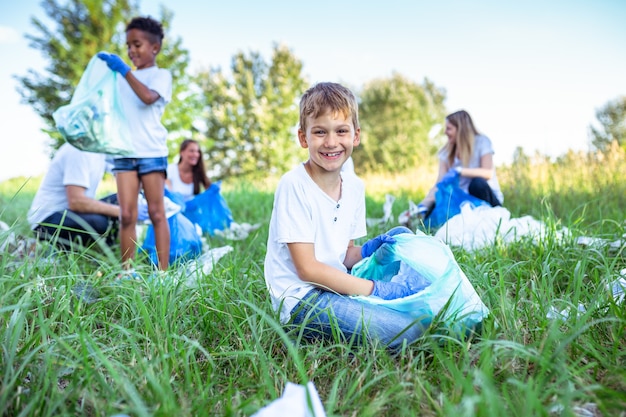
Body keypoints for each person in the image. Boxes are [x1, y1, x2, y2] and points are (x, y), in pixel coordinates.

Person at [264, 82, 429, 350]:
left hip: (336, 285)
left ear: (355, 136)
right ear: (303, 138)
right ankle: (386, 303)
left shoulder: (354, 187)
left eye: (341, 131)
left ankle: (395, 298)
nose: (331, 142)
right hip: (304, 300)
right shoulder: (294, 184)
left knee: (403, 237)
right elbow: (308, 269)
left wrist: (369, 249)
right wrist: (374, 289)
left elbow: (344, 256)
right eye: (319, 132)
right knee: (408, 332)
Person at [97, 16, 172, 271]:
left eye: (137, 44)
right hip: (124, 153)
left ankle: (162, 274)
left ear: (155, 47)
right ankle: (126, 273)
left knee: (156, 213)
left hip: (151, 152)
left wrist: (124, 71)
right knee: (126, 214)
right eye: (128, 45)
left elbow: (148, 98)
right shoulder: (119, 79)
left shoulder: (161, 76)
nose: (131, 51)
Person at [27, 143, 120, 248]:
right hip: (47, 221)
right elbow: (76, 202)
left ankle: (114, 246)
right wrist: (123, 212)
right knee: (101, 223)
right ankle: (54, 249)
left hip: (71, 213)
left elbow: (124, 171)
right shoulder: (77, 150)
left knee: (125, 200)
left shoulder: (100, 152)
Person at [417, 110, 503, 218]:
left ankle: (491, 217)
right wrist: (423, 205)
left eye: (449, 129)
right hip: (462, 201)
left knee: (477, 183)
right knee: (438, 200)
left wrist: (459, 171)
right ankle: (414, 219)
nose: (445, 132)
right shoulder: (446, 153)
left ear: (460, 129)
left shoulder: (482, 142)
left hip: (486, 199)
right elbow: (440, 184)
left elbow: (488, 172)